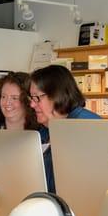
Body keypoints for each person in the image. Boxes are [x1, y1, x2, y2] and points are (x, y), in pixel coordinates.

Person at [29, 65, 101, 193]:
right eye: (31, 98)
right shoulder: (44, 131)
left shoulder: (88, 127)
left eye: (37, 98)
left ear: (56, 95)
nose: (32, 104)